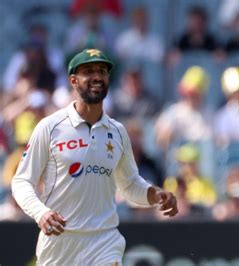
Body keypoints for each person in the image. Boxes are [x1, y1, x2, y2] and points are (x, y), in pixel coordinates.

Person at [11, 48, 178, 265]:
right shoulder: (50, 127)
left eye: (102, 71)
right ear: (73, 80)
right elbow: (22, 181)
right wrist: (41, 212)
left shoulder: (118, 131)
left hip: (104, 240)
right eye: (88, 71)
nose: (97, 76)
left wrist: (155, 194)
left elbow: (129, 185)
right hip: (60, 242)